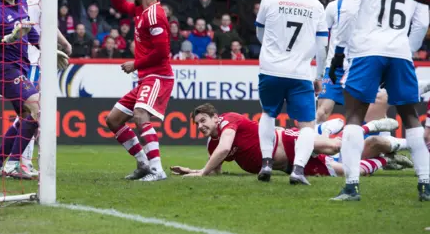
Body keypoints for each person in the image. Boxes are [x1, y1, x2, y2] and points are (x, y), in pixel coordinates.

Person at [329, 0, 430, 201]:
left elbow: (347, 13)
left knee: (353, 116)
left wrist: (340, 51)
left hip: (365, 51)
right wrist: (406, 49)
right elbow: (422, 22)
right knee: (410, 117)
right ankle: (425, 185)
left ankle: (351, 186)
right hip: (399, 51)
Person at [0, 0, 68, 179]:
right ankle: (14, 164)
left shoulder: (20, 2)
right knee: (39, 108)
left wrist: (47, 50)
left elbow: (30, 33)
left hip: (20, 67)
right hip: (4, 71)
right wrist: (7, 38)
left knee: (26, 116)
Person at [171, 104, 412, 178]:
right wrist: (192, 171)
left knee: (335, 145)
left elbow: (225, 149)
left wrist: (201, 172)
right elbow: (214, 172)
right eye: (197, 124)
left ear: (215, 117)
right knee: (344, 171)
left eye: (203, 120)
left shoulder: (228, 121)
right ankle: (383, 161)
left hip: (287, 141)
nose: (200, 126)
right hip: (287, 166)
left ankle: (370, 127)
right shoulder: (212, 145)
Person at [255, 0, 328, 185]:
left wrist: (271, 50)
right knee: (306, 124)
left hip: (271, 69)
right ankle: (298, 170)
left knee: (268, 114)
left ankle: (266, 162)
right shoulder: (316, 5)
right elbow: (322, 46)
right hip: (300, 73)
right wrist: (319, 76)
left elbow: (260, 33)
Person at [104, 0, 174, 182]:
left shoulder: (155, 15)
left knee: (140, 115)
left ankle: (157, 170)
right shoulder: (141, 10)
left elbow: (163, 52)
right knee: (113, 120)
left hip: (158, 76)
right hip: (146, 77)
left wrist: (135, 64)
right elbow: (120, 4)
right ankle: (144, 164)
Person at [16, 0, 73, 176]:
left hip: (38, 61)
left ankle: (15, 161)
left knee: (33, 112)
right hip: (31, 61)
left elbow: (47, 25)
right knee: (31, 111)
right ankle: (20, 162)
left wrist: (63, 43)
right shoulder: (34, 1)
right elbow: (27, 28)